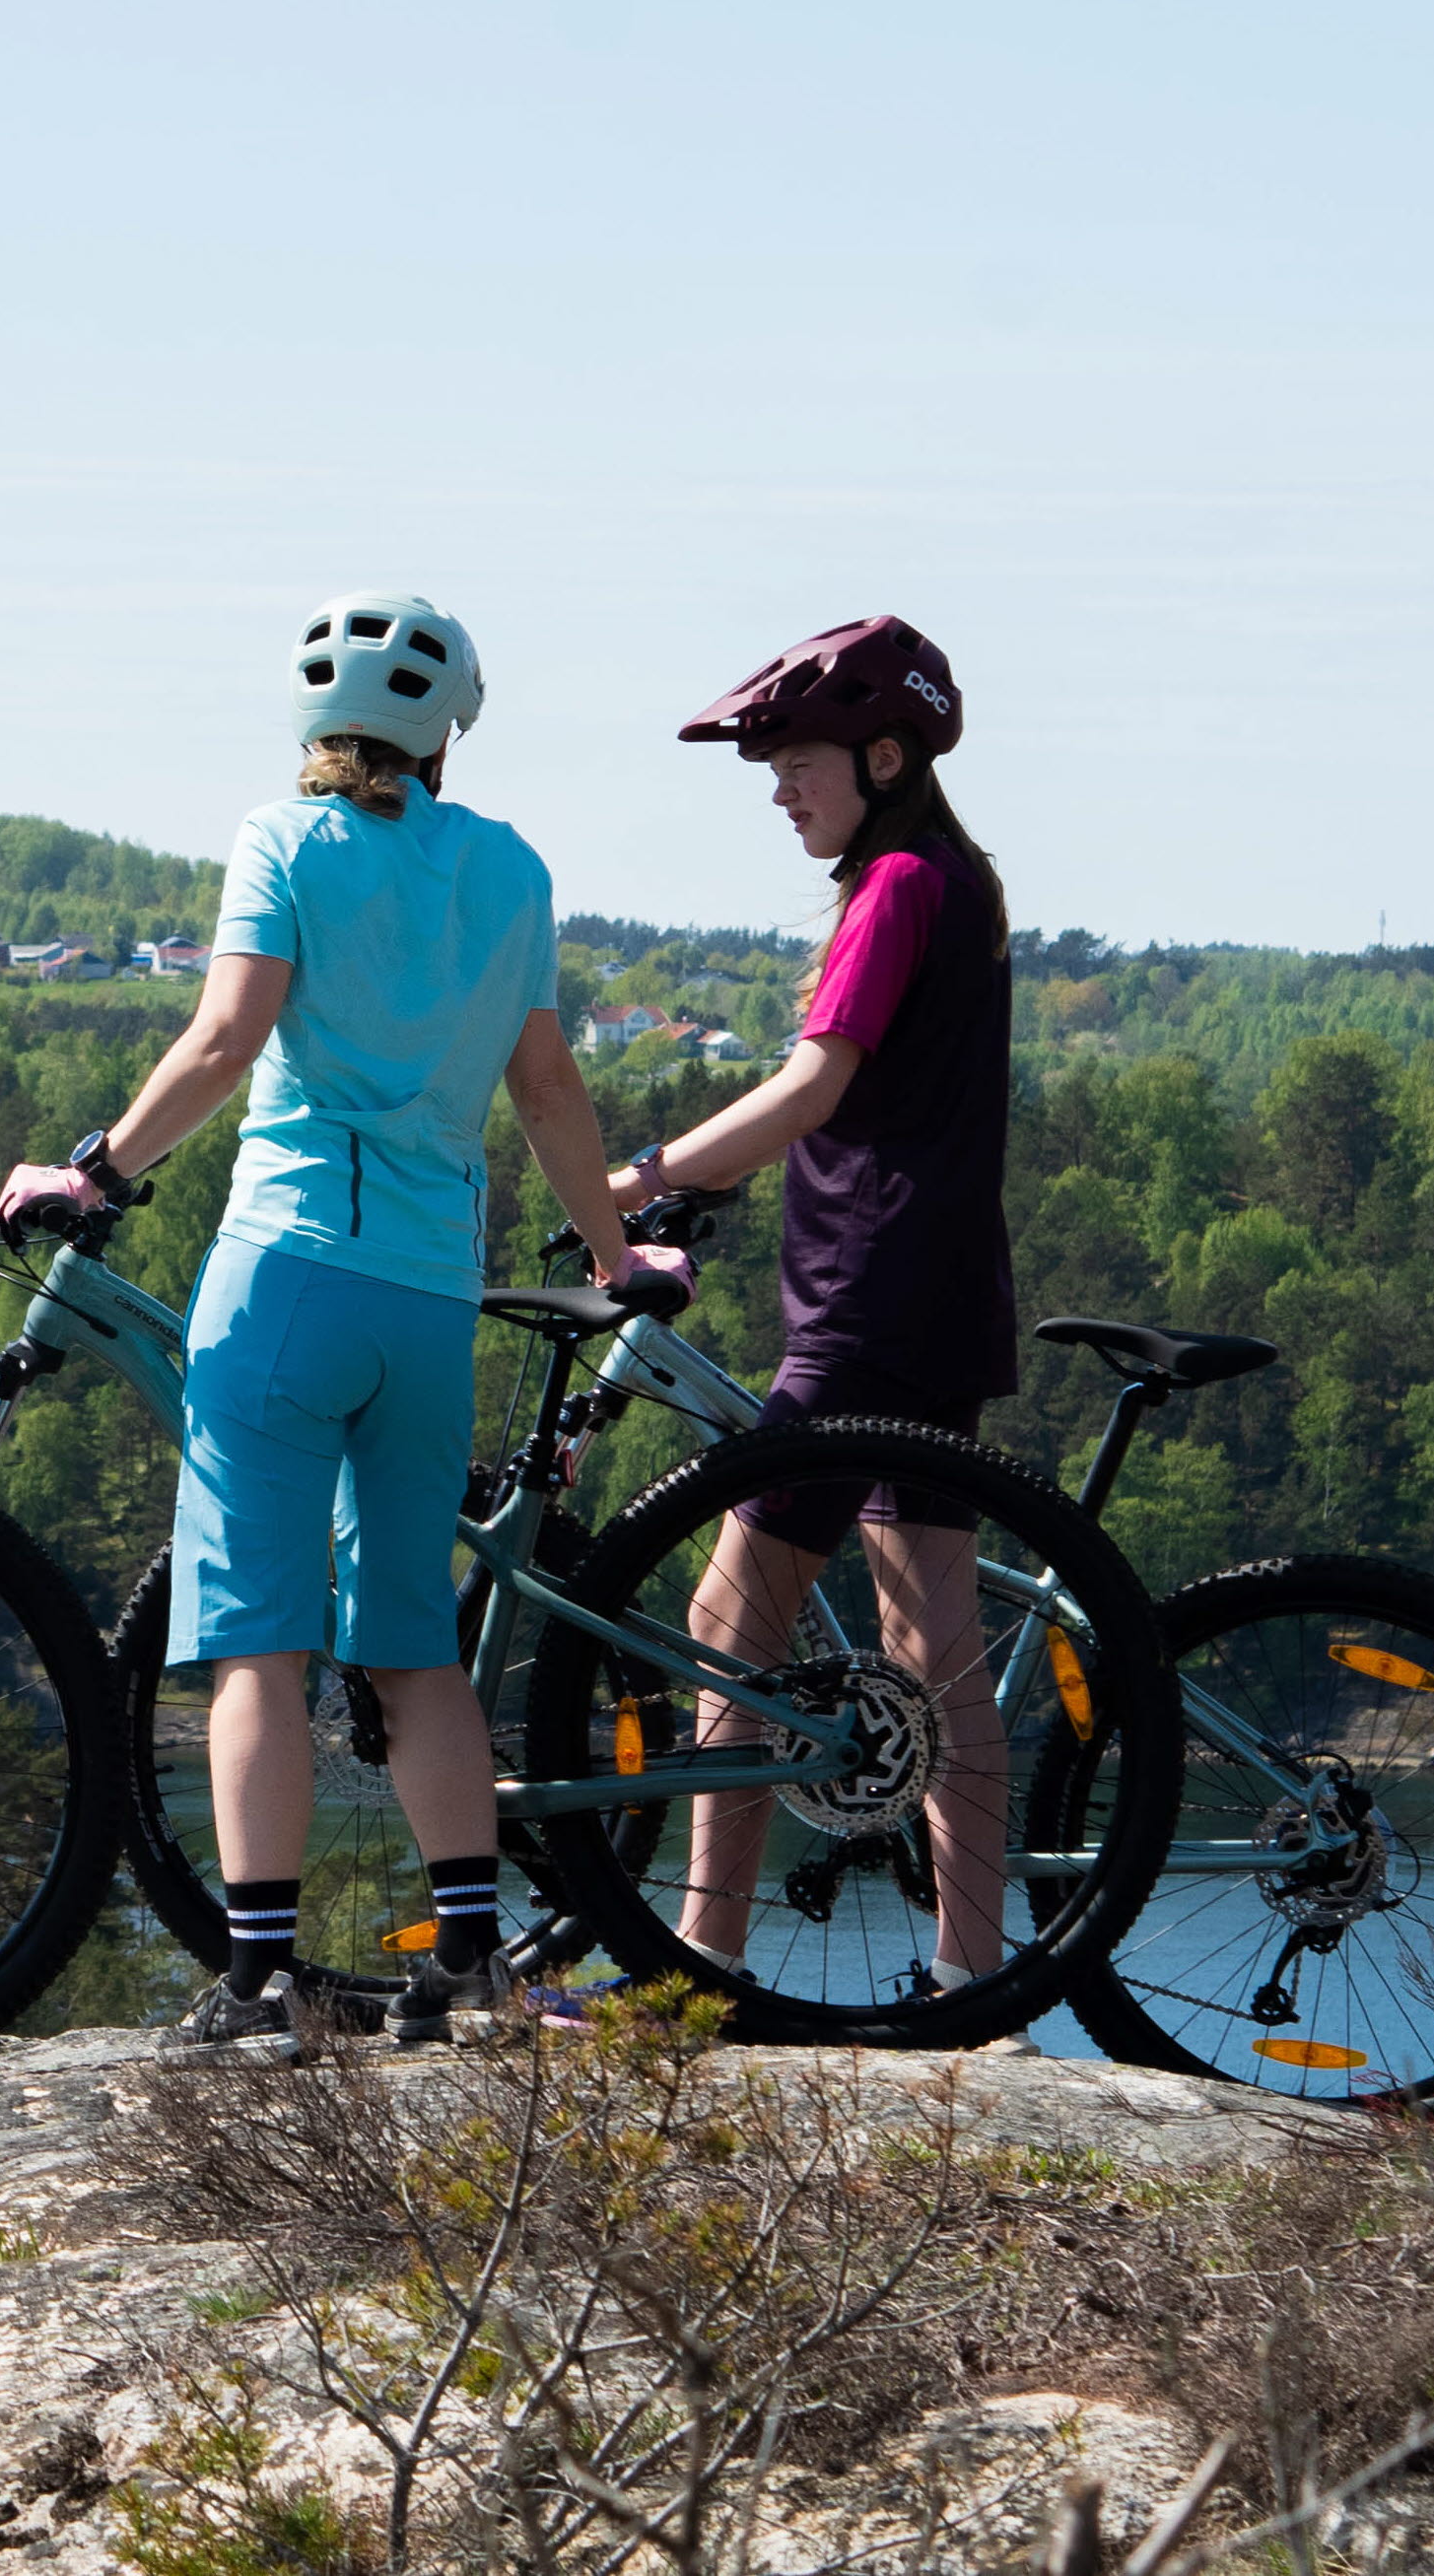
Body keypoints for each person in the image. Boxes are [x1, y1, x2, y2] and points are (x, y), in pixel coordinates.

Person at [0, 593, 683, 2046]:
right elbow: (548, 1093)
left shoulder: (283, 842)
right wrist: (619, 1256)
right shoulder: (508, 871)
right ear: (449, 732)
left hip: (288, 1274)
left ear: (312, 720)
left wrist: (96, 1170)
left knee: (258, 1640)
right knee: (412, 1647)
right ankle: (471, 1971)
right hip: (430, 1299)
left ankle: (257, 1982)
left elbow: (227, 1037)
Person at [596, 615, 1020, 1996]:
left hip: (865, 1295)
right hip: (939, 1287)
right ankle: (972, 1974)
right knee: (931, 1644)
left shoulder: (894, 884)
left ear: (883, 755)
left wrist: (636, 1176)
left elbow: (811, 1091)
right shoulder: (955, 880)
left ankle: (700, 1960)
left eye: (797, 761)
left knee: (733, 1617)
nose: (778, 785)